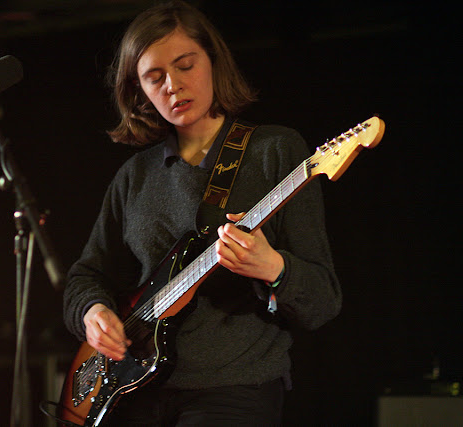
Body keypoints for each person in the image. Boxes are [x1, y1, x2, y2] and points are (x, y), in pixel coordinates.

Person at [62, 1, 341, 425]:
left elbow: (323, 300)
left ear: (213, 61)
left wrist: (273, 267)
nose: (173, 85)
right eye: (154, 77)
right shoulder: (134, 176)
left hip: (235, 389)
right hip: (135, 393)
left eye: (185, 65)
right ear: (138, 90)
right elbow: (86, 276)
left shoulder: (275, 151)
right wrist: (93, 312)